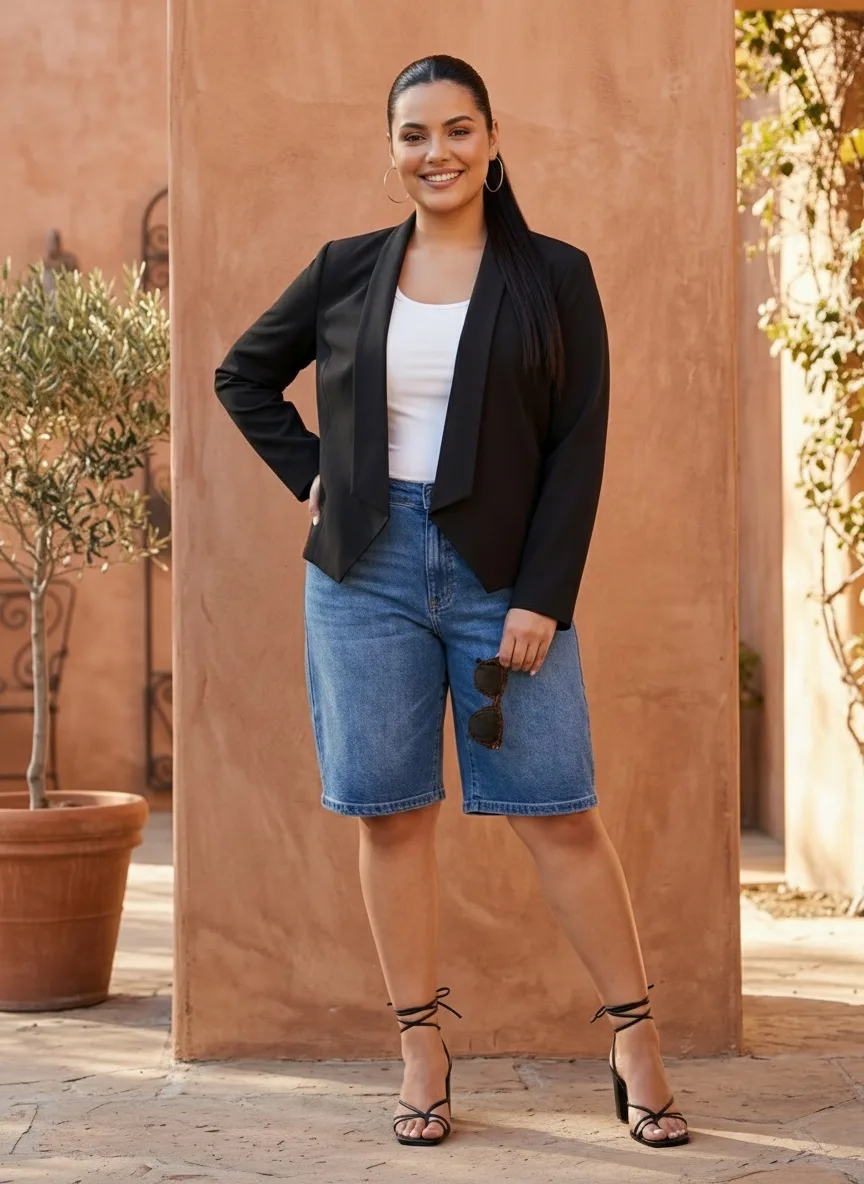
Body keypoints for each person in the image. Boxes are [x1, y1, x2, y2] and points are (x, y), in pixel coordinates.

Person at [215, 53, 689, 1152]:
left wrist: (542, 596)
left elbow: (578, 444)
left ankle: (635, 1040)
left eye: (458, 129)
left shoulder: (555, 276)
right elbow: (243, 374)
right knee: (390, 813)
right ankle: (421, 1047)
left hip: (501, 575)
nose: (438, 152)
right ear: (391, 152)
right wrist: (315, 473)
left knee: (559, 812)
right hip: (361, 573)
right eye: (414, 134)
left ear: (492, 139)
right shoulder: (346, 269)